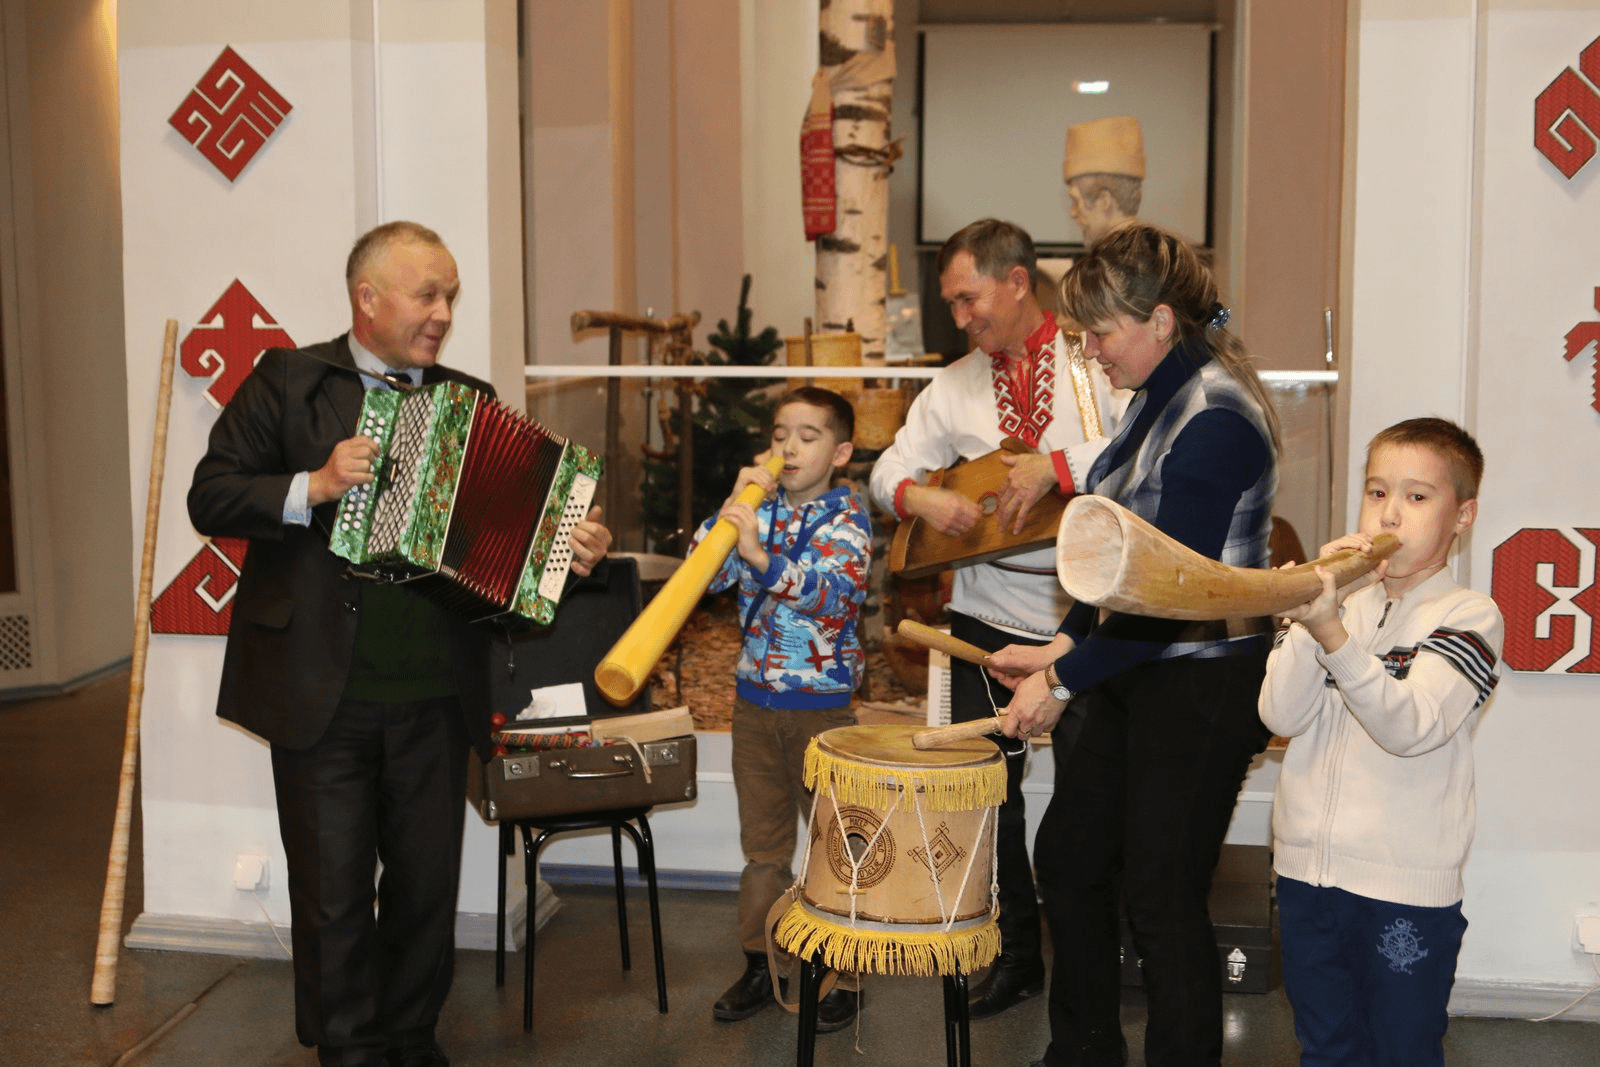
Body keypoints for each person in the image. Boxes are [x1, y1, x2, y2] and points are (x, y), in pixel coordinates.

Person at [187, 221, 612, 1067]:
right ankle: (348, 1047)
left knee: (425, 887)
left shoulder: (469, 400)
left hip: (433, 689)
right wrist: (314, 484)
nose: (444, 312)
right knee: (334, 890)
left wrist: (563, 553)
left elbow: (504, 565)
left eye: (450, 295)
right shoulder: (289, 379)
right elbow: (212, 497)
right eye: (429, 293)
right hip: (320, 689)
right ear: (367, 297)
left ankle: (411, 1036)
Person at [989, 221, 1281, 1067]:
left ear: (1159, 321)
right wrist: (1059, 644)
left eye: (1100, 333)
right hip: (1142, 663)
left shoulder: (1219, 416)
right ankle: (1082, 1052)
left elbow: (1166, 598)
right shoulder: (1153, 392)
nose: (1089, 351)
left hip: (1205, 683)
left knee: (1161, 895)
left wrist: (1066, 679)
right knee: (1072, 860)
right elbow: (1116, 553)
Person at [869, 218, 1120, 1019]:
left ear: (1017, 282)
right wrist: (921, 497)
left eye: (968, 298)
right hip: (978, 610)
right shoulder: (952, 386)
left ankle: (1093, 958)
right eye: (951, 303)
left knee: (1089, 792)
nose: (961, 318)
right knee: (990, 792)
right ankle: (1015, 956)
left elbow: (1131, 454)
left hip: (1083, 616)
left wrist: (1054, 470)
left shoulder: (1096, 365)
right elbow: (886, 471)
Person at [1261, 418, 1503, 1067]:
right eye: (1376, 492)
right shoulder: (1340, 602)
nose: (1390, 511)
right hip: (1306, 877)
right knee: (1325, 1048)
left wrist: (1332, 634)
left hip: (1405, 892)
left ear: (1463, 515)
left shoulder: (1470, 616)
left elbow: (1410, 726)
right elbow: (1278, 710)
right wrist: (1321, 609)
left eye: (1418, 496)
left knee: (1403, 1051)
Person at [703, 386, 873, 1032]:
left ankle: (846, 974)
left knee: (837, 848)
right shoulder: (760, 507)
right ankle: (761, 961)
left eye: (808, 435)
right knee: (764, 850)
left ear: (842, 451)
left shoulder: (847, 519)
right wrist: (732, 513)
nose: (789, 448)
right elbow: (707, 571)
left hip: (820, 712)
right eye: (780, 435)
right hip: (754, 706)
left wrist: (762, 558)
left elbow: (831, 593)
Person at [1064, 115, 1144, 248]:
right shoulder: (1165, 258)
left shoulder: (1109, 266)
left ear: (1104, 200)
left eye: (1076, 201)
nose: (1072, 213)